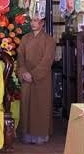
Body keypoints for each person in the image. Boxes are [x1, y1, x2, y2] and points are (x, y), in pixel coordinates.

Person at [17, 15, 56, 145]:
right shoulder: (25, 38)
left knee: (40, 106)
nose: (33, 23)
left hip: (41, 79)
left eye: (36, 21)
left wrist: (32, 75)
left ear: (42, 23)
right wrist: (23, 72)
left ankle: (41, 135)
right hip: (26, 77)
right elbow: (20, 57)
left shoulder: (49, 40)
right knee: (27, 105)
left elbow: (47, 61)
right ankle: (26, 135)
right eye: (31, 21)